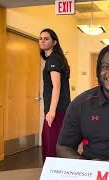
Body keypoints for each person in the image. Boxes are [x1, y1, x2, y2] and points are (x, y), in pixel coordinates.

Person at [39, 28, 71, 161]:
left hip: (56, 111)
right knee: (50, 143)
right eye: (40, 38)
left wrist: (51, 111)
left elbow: (56, 87)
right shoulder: (55, 59)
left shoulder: (53, 59)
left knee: (51, 146)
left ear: (54, 42)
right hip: (59, 110)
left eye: (46, 39)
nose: (42, 41)